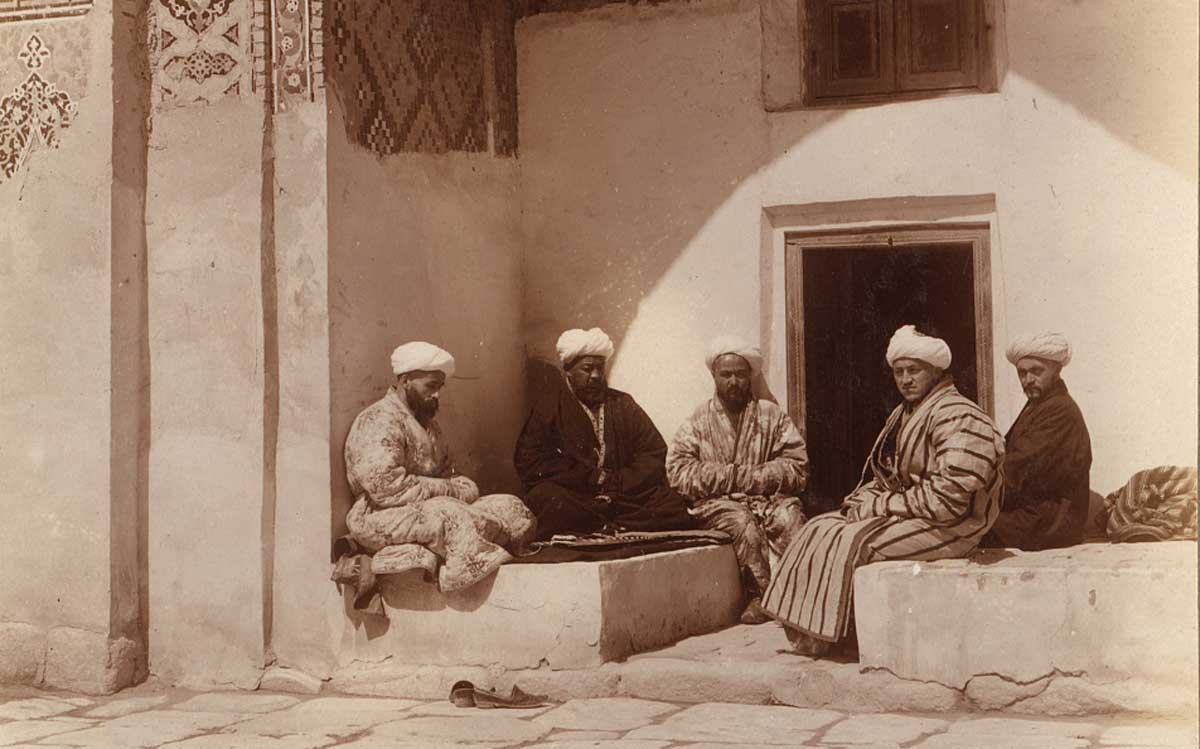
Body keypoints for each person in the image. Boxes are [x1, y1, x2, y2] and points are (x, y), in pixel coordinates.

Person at [762, 325, 1004, 656]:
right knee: (820, 526)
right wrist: (867, 497)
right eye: (899, 372)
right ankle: (809, 629)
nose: (905, 379)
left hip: (955, 525)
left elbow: (948, 502)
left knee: (850, 541)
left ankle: (831, 635)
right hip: (919, 514)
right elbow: (892, 474)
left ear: (935, 371)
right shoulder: (908, 413)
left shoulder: (959, 416)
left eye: (914, 371)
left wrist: (882, 504)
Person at [343, 341, 535, 592]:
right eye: (431, 387)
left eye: (440, 387)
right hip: (379, 513)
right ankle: (460, 579)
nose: (437, 395)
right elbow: (386, 487)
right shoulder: (377, 420)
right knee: (451, 516)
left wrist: (457, 488)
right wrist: (450, 490)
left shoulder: (430, 428)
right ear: (405, 380)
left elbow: (452, 476)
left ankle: (488, 550)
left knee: (510, 506)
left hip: (429, 505)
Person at [667, 335, 809, 624]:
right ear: (714, 376)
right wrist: (730, 476)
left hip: (768, 500)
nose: (734, 381)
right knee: (741, 522)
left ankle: (803, 595)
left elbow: (798, 467)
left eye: (741, 374)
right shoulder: (698, 421)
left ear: (750, 376)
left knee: (791, 516)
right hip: (716, 505)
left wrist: (753, 478)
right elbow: (678, 471)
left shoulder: (772, 416)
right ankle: (762, 596)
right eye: (726, 374)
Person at [513, 327, 694, 539]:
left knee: (671, 502)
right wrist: (590, 478)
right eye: (587, 369)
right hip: (578, 494)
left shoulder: (623, 404)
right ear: (568, 371)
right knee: (546, 499)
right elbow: (530, 461)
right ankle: (611, 524)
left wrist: (618, 483)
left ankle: (601, 524)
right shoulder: (550, 407)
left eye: (600, 368)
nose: (596, 376)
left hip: (621, 494)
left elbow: (652, 452)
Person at [982, 332, 1092, 550]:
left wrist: (971, 489)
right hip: (1033, 514)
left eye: (1036, 371)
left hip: (1050, 522)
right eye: (1022, 373)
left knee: (962, 529)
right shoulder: (1039, 403)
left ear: (1056, 371)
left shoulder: (1059, 410)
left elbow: (1018, 468)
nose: (1028, 379)